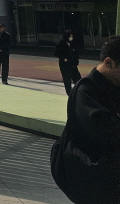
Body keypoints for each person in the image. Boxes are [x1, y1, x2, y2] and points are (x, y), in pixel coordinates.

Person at [50, 35, 120, 204]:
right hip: (96, 179)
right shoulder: (86, 91)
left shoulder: (112, 86)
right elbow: (107, 131)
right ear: (109, 63)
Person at [54, 30, 81, 95]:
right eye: (70, 36)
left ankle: (79, 92)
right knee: (67, 81)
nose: (71, 38)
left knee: (78, 80)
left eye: (72, 36)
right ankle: (70, 94)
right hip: (65, 67)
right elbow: (56, 53)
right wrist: (63, 58)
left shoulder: (72, 44)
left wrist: (76, 60)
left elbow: (76, 53)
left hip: (73, 66)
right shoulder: (61, 44)